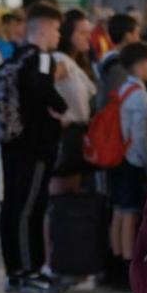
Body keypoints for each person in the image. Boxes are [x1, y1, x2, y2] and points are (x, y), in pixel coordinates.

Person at [0, 3, 68, 293]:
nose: (58, 35)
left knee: (13, 204)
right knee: (30, 206)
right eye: (55, 29)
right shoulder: (40, 57)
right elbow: (40, 89)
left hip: (12, 141)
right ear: (40, 30)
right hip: (35, 144)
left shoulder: (16, 55)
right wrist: (61, 106)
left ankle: (15, 269)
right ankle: (31, 270)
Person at [107, 42, 147, 286]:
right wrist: (146, 160)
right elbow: (139, 135)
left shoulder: (123, 88)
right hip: (131, 159)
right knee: (129, 213)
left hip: (116, 158)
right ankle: (129, 268)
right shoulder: (139, 94)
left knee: (118, 211)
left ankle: (115, 261)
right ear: (139, 65)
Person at [51, 10, 98, 193]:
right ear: (67, 34)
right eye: (82, 33)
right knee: (62, 195)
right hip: (66, 135)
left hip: (79, 134)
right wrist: (57, 116)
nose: (88, 37)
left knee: (72, 193)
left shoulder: (79, 61)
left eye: (89, 32)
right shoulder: (60, 61)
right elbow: (44, 89)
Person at [97, 13, 141, 109]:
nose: (139, 38)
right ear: (128, 36)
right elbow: (117, 98)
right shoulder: (116, 64)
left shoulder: (110, 58)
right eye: (137, 33)